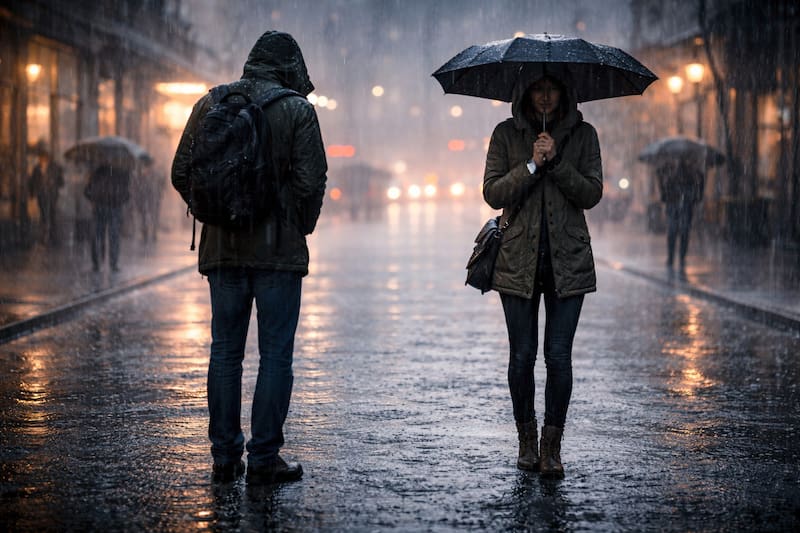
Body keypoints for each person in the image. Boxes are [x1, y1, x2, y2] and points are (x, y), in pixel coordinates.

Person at [171, 31, 327, 485]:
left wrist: (217, 212)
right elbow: (311, 182)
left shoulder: (210, 104)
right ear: (289, 66)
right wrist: (297, 225)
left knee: (225, 353)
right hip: (278, 253)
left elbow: (181, 171)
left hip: (223, 252)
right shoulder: (297, 110)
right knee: (275, 355)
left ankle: (224, 456)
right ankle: (263, 458)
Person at [482, 72, 602, 478]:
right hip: (518, 260)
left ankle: (552, 448)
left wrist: (559, 163)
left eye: (553, 89)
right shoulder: (505, 135)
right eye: (539, 88)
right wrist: (533, 163)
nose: (546, 96)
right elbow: (494, 193)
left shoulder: (584, 136)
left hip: (568, 259)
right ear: (527, 92)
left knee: (558, 357)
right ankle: (526, 442)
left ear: (564, 92)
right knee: (521, 356)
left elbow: (591, 193)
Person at [656, 158, 704, 273]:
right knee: (676, 232)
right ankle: (675, 257)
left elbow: (697, 188)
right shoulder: (671, 173)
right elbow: (665, 191)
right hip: (675, 207)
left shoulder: (690, 174)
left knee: (682, 232)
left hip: (682, 207)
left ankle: (678, 257)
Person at [84, 163, 131, 271]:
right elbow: (127, 195)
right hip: (113, 209)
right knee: (112, 237)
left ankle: (98, 264)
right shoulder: (120, 174)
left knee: (98, 237)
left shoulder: (97, 173)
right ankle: (111, 264)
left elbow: (87, 191)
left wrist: (94, 200)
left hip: (101, 208)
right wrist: (118, 201)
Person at [29, 150, 64, 244]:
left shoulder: (55, 167)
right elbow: (33, 181)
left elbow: (61, 182)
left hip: (52, 194)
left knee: (51, 215)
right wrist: (32, 193)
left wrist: (54, 183)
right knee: (44, 215)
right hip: (42, 194)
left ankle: (52, 236)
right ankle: (44, 236)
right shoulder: (37, 168)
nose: (42, 160)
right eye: (41, 158)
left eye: (44, 158)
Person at [133, 156, 164, 243]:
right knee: (148, 217)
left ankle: (149, 234)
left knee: (148, 217)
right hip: (149, 199)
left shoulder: (147, 174)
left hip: (149, 199)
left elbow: (139, 187)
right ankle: (148, 234)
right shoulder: (149, 174)